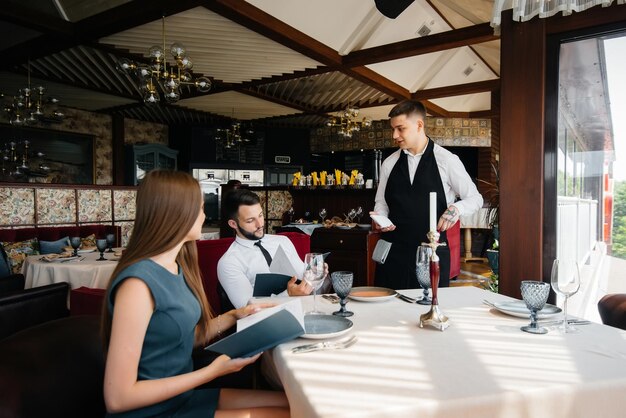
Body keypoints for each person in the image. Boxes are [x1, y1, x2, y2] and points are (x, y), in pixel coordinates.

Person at [101, 170, 289, 418]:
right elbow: (118, 398)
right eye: (200, 208)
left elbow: (184, 338)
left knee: (295, 403)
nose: (205, 215)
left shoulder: (178, 266)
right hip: (151, 412)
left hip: (182, 398)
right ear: (176, 214)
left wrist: (234, 315)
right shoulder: (137, 285)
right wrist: (212, 372)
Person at [372, 100, 483, 289]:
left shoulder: (447, 160)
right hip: (393, 254)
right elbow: (381, 202)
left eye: (400, 129)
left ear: (419, 125)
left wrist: (456, 208)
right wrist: (380, 217)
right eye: (393, 129)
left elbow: (475, 198)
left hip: (431, 254)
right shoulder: (389, 164)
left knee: (429, 312)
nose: (394, 136)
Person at [218, 188, 322, 309]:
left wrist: (317, 276)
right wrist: (288, 294)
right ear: (233, 224)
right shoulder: (229, 262)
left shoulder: (282, 241)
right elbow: (248, 309)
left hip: (305, 309)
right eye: (250, 220)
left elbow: (307, 283)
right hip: (264, 323)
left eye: (260, 215)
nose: (260, 224)